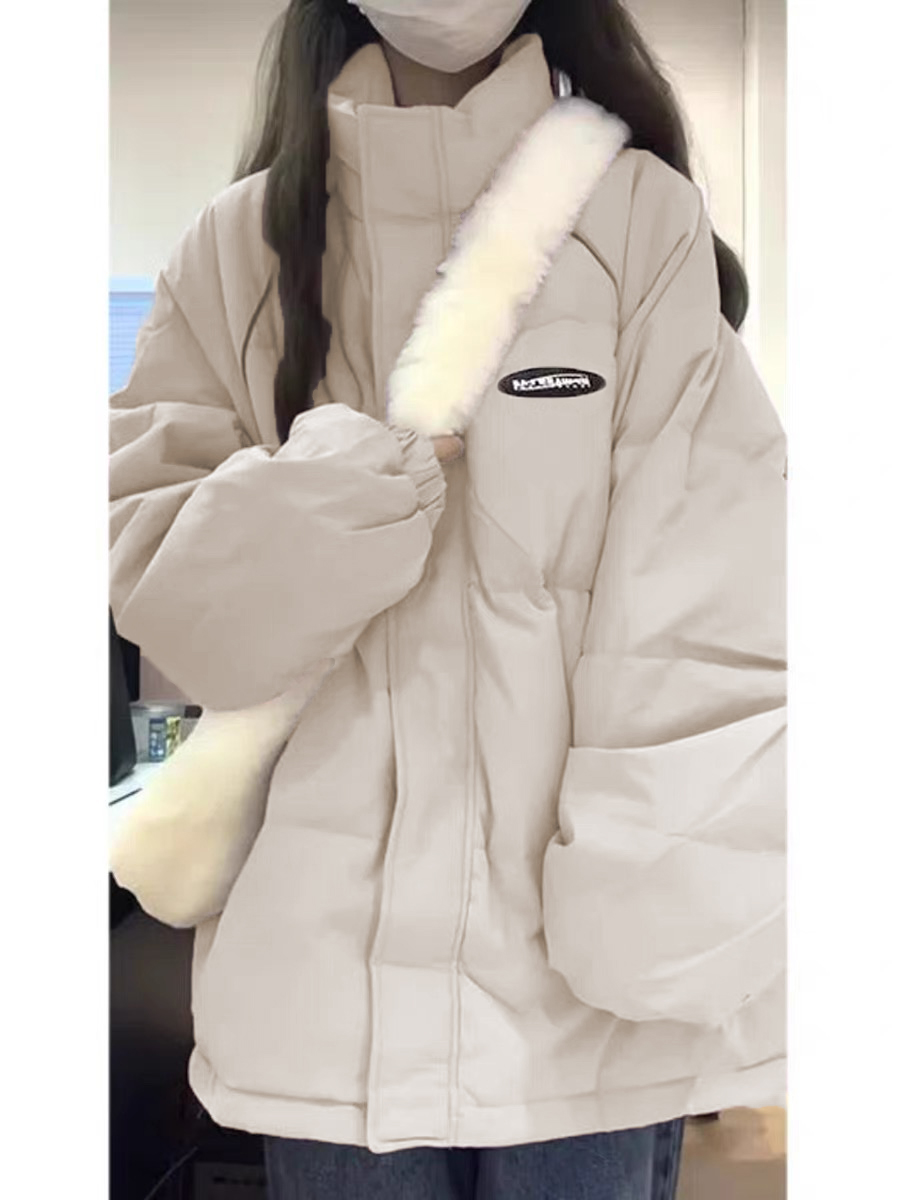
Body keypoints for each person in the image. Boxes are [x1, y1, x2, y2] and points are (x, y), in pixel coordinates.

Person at [108, 1, 786, 1197]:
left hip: (577, 1006)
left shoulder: (634, 220)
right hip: (322, 1005)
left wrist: (658, 908)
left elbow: (714, 596)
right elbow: (161, 596)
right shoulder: (238, 247)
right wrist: (333, 495)